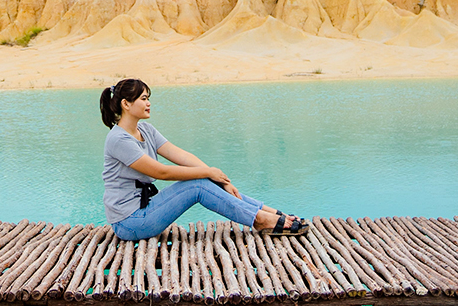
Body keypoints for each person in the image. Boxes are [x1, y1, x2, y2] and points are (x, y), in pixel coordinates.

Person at [100, 77, 309, 241]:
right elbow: (160, 172)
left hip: (145, 209)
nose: (149, 103)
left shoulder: (145, 129)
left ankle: (269, 212)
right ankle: (260, 220)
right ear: (126, 104)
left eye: (148, 98)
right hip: (130, 222)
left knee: (204, 179)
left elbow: (181, 155)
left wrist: (220, 180)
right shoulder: (119, 139)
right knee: (198, 184)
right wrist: (208, 173)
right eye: (143, 99)